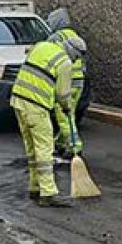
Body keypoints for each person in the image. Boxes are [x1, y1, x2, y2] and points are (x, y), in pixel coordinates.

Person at [10, 32, 87, 207]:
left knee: (31, 148)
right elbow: (62, 93)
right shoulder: (64, 63)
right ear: (73, 52)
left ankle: (34, 186)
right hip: (37, 105)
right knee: (44, 149)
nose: (75, 61)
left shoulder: (42, 46)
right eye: (76, 57)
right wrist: (67, 107)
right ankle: (48, 193)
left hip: (18, 100)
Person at [49, 26, 87, 158]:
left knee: (63, 117)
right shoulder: (74, 35)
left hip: (66, 82)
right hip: (79, 82)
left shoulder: (55, 38)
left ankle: (75, 147)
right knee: (70, 116)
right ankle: (60, 143)